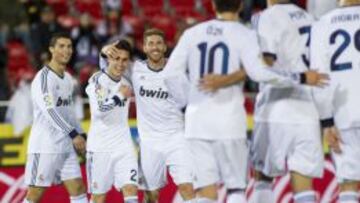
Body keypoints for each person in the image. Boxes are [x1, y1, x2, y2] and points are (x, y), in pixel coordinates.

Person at [161, 0, 328, 202]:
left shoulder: (193, 33)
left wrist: (187, 104)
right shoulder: (245, 33)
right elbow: (258, 72)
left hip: (198, 122)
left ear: (213, 5)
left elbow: (170, 74)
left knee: (206, 190)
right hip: (233, 121)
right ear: (240, 6)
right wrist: (301, 78)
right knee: (236, 189)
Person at [100, 28, 196, 203]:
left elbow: (190, 103)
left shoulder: (177, 72)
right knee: (151, 195)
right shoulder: (136, 70)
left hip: (177, 138)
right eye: (150, 43)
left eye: (159, 43)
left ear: (165, 47)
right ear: (144, 47)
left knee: (187, 188)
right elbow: (107, 70)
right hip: (149, 142)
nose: (155, 47)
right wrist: (104, 51)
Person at [249, 1, 324, 203]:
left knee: (263, 176)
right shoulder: (312, 19)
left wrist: (297, 77)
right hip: (308, 110)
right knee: (303, 183)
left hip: (274, 109)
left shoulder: (268, 16)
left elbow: (265, 67)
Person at [23, 33, 88, 203]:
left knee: (78, 189)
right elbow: (50, 111)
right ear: (51, 49)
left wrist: (82, 134)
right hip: (45, 145)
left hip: (66, 146)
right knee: (35, 194)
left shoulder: (67, 79)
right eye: (61, 46)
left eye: (69, 47)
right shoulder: (43, 78)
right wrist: (74, 134)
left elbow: (69, 111)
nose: (66, 50)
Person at [311, 0, 360, 202]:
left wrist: (326, 121)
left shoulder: (322, 24)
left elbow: (319, 79)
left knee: (348, 184)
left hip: (343, 113)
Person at [86, 40, 138, 203]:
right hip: (100, 148)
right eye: (117, 59)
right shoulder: (97, 80)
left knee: (131, 190)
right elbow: (100, 110)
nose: (120, 64)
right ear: (109, 59)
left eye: (124, 60)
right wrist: (120, 96)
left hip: (124, 146)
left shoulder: (127, 82)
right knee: (99, 198)